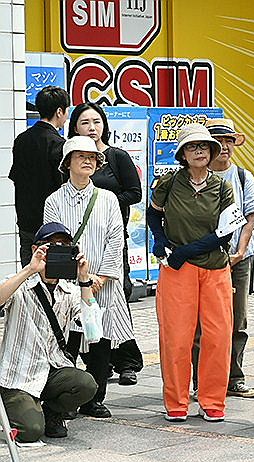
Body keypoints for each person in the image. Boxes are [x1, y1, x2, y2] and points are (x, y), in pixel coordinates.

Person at [147, 124, 235, 423]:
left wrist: (189, 250)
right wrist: (160, 241)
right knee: (176, 336)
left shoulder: (223, 187)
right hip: (177, 269)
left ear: (212, 152)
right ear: (182, 153)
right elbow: (153, 213)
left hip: (214, 268)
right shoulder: (170, 183)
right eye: (192, 147)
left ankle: (212, 401)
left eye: (204, 147)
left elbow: (225, 233)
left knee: (218, 336)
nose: (199, 151)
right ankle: (176, 402)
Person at [43, 136, 134, 418]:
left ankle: (95, 399)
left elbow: (115, 240)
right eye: (80, 156)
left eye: (92, 157)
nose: (87, 161)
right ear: (67, 162)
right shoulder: (54, 200)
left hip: (103, 285)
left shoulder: (107, 199)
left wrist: (101, 278)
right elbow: (54, 243)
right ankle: (67, 398)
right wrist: (78, 279)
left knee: (100, 341)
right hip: (68, 285)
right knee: (67, 341)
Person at [67, 102, 144, 386]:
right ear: (75, 127)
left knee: (115, 301)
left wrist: (103, 203)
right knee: (80, 306)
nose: (92, 127)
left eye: (96, 122)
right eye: (85, 122)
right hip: (80, 248)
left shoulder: (116, 156)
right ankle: (96, 363)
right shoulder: (70, 158)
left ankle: (127, 361)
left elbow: (134, 193)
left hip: (111, 239)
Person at [189, 118, 254, 399]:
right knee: (200, 323)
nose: (224, 147)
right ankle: (201, 380)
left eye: (228, 141)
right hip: (203, 260)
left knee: (237, 319)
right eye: (218, 141)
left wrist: (240, 251)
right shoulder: (193, 178)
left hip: (239, 260)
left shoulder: (244, 177)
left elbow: (251, 217)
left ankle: (234, 377)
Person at [0, 223, 98, 442]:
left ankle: (53, 413)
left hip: (53, 371)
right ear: (36, 248)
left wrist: (84, 279)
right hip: (19, 375)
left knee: (86, 384)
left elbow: (94, 331)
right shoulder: (21, 285)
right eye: (50, 245)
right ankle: (14, 409)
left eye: (64, 245)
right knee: (30, 432)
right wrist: (29, 270)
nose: (58, 249)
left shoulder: (70, 290)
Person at [9, 86, 70, 266]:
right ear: (59, 111)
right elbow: (63, 185)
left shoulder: (21, 139)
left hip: (26, 221)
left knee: (29, 276)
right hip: (52, 226)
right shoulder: (59, 144)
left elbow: (16, 177)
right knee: (53, 275)